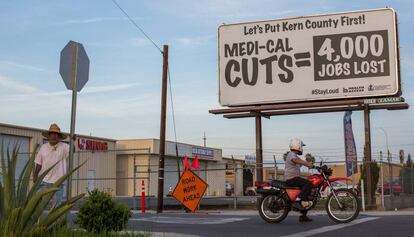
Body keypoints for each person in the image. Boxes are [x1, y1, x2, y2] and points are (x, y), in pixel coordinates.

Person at [34, 123, 69, 207]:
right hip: (44, 181)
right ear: (48, 136)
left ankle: (56, 220)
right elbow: (38, 163)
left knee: (56, 206)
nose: (53, 136)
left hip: (58, 182)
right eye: (52, 134)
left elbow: (72, 151)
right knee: (37, 203)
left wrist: (74, 142)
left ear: (59, 136)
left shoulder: (65, 147)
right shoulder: (43, 147)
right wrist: (35, 176)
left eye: (56, 134)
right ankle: (38, 220)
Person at [284, 138, 315, 222]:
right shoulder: (291, 155)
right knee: (308, 184)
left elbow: (299, 162)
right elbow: (296, 160)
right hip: (291, 179)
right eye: (301, 146)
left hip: (295, 178)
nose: (302, 148)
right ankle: (298, 200)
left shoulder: (295, 156)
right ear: (297, 146)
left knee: (307, 193)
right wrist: (307, 163)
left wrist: (311, 166)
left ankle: (303, 216)